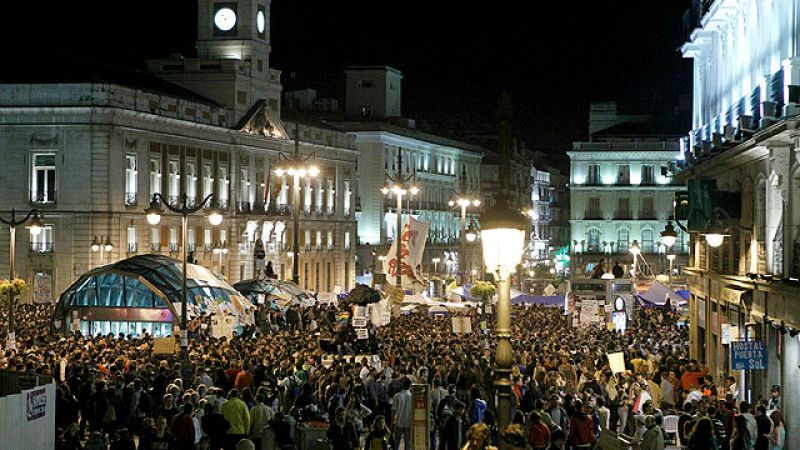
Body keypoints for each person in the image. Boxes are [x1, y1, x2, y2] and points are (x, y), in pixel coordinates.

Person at [392, 377, 413, 450]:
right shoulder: (412, 397)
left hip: (399, 422)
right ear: (410, 386)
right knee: (408, 442)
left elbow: (393, 411)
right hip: (408, 423)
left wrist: (392, 423)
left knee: (396, 442)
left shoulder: (396, 396)